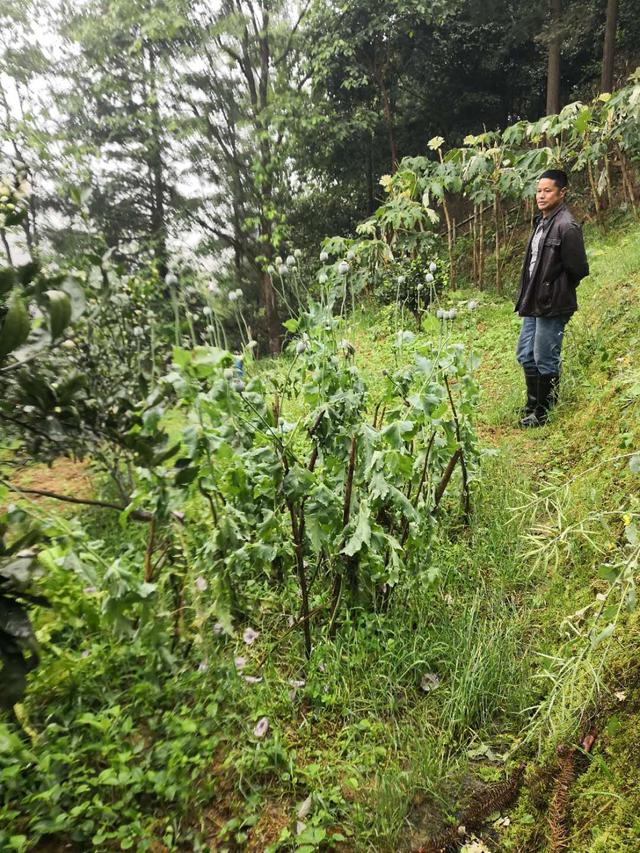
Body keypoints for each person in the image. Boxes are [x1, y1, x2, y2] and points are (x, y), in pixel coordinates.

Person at [514, 169, 589, 428]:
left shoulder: (566, 226)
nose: (541, 195)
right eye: (538, 191)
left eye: (547, 191)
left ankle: (544, 412)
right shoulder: (542, 221)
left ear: (562, 193)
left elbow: (579, 268)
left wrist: (556, 288)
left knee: (544, 356)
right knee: (525, 353)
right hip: (534, 300)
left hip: (553, 303)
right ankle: (532, 404)